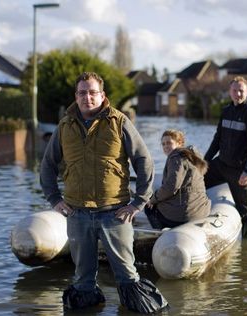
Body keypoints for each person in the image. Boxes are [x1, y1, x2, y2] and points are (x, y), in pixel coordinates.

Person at [40, 72, 168, 313]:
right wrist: (54, 199)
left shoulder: (119, 122)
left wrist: (138, 203)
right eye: (82, 93)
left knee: (128, 275)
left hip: (114, 214)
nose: (87, 97)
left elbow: (144, 161)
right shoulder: (64, 126)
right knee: (82, 280)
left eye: (92, 92)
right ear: (76, 96)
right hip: (77, 214)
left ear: (102, 95)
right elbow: (48, 165)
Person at [204, 76, 247, 238]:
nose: (238, 94)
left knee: (245, 211)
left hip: (239, 170)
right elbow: (217, 139)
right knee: (196, 182)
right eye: (235, 90)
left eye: (241, 91)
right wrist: (204, 162)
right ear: (229, 92)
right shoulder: (226, 111)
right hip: (221, 164)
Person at [145, 129, 211, 229]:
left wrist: (153, 199)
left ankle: (160, 235)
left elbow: (171, 187)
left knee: (149, 207)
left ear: (179, 143)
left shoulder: (176, 158)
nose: (165, 146)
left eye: (169, 143)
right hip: (200, 211)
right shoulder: (192, 156)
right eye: (163, 144)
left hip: (184, 215)